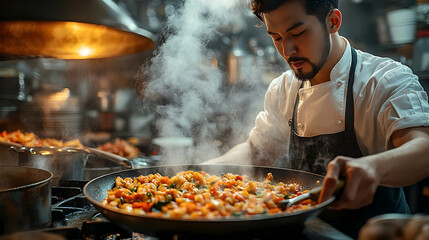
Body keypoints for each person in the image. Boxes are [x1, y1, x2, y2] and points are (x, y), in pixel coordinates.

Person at [203, 0, 429, 238]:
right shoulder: (284, 89)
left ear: (333, 21)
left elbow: (424, 149)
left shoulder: (384, 80)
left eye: (298, 33)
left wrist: (373, 168)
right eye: (276, 37)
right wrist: (199, 174)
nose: (287, 50)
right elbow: (255, 151)